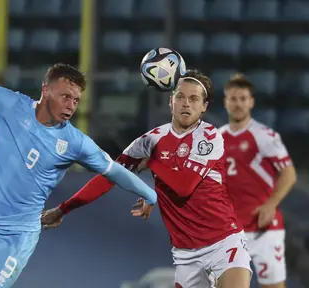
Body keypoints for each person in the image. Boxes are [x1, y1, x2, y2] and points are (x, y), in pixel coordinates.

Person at [0, 54, 158, 288]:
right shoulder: (9, 104)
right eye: (66, 97)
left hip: (16, 233)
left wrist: (151, 194)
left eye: (76, 100)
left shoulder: (74, 142)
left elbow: (114, 171)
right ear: (45, 90)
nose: (71, 106)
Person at [41, 69, 253, 288]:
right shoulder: (150, 140)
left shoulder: (208, 136)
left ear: (204, 106)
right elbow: (109, 176)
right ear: (171, 101)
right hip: (186, 254)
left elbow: (184, 187)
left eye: (194, 99)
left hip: (224, 242)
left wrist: (151, 162)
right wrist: (63, 209)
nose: (186, 104)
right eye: (180, 97)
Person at [219, 74, 297, 288]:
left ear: (251, 102)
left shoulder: (265, 136)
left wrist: (271, 204)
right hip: (230, 231)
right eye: (233, 99)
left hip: (264, 229)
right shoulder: (216, 139)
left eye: (243, 99)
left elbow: (289, 174)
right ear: (225, 102)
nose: (238, 104)